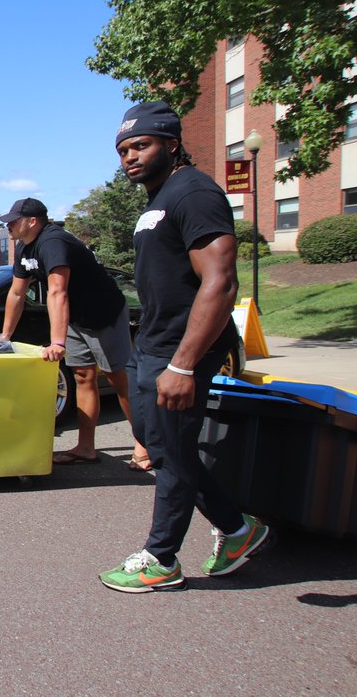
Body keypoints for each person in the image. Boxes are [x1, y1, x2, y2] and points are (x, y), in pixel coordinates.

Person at [99, 101, 269, 593]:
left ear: (171, 144)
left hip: (180, 350)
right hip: (153, 345)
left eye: (140, 145)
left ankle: (161, 558)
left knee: (172, 454)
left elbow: (220, 283)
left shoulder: (194, 192)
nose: (129, 157)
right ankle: (238, 530)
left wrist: (184, 364)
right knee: (161, 447)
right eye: (123, 149)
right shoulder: (159, 198)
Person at [0, 197, 137, 466]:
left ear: (33, 221)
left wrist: (57, 342)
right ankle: (86, 448)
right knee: (83, 376)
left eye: (14, 221)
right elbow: (16, 294)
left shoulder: (53, 242)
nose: (9, 226)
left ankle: (145, 445)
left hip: (102, 313)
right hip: (75, 317)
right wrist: (5, 336)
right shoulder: (24, 249)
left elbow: (57, 291)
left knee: (117, 378)